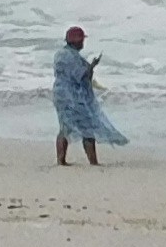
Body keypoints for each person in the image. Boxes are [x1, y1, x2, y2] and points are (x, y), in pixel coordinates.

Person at [52, 26, 128, 166]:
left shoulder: (60, 54)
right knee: (87, 128)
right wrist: (92, 65)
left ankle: (60, 160)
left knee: (64, 127)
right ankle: (93, 162)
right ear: (76, 41)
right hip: (72, 97)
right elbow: (80, 76)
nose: (82, 43)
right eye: (81, 40)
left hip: (59, 94)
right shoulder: (72, 57)